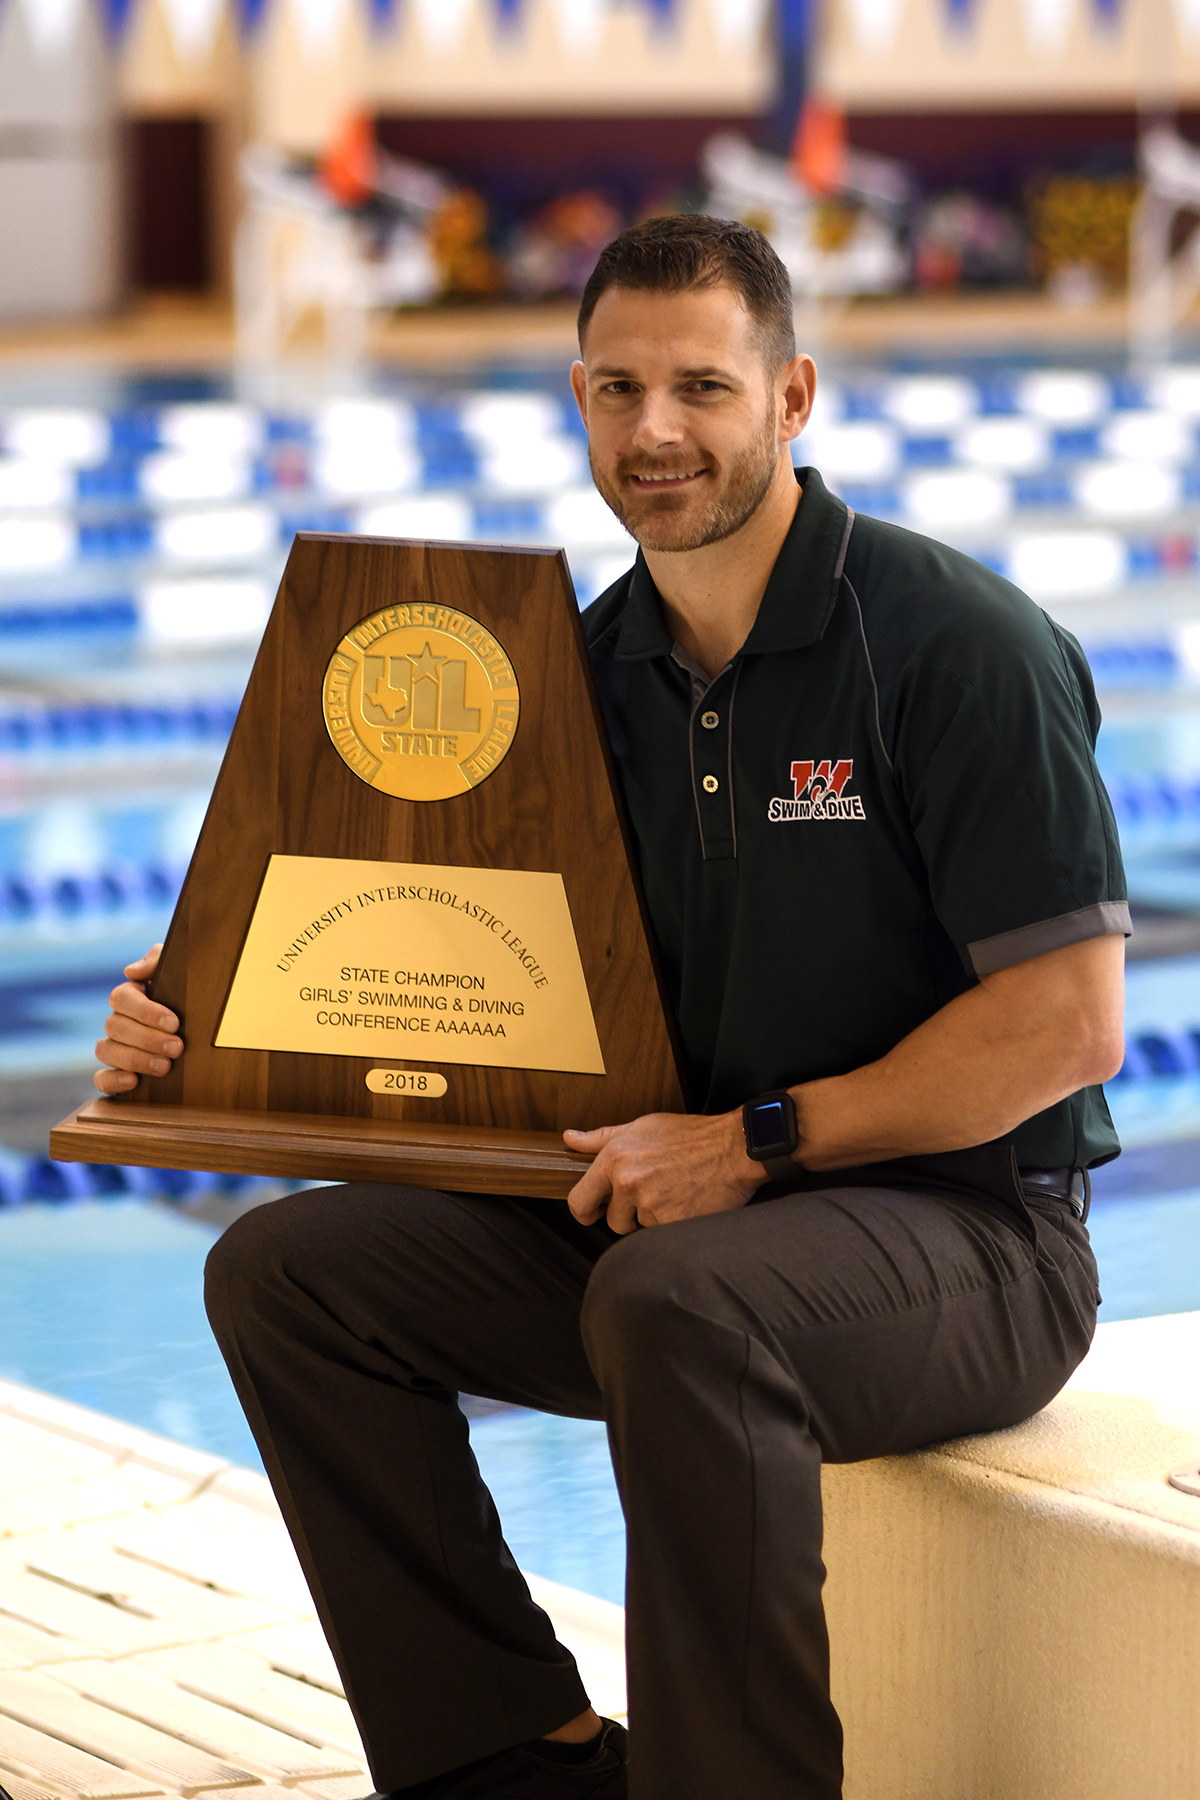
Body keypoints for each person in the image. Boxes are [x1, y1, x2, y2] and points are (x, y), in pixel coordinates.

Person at [94, 216, 1128, 1800]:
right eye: (619, 389)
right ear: (578, 400)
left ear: (791, 401)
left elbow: (1064, 1026)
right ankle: (515, 1756)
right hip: (688, 1211)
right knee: (291, 1276)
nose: (657, 433)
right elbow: (450, 974)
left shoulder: (949, 648)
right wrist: (197, 1032)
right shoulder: (577, 672)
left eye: (702, 388)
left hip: (969, 1237)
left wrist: (756, 1144)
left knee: (680, 1308)